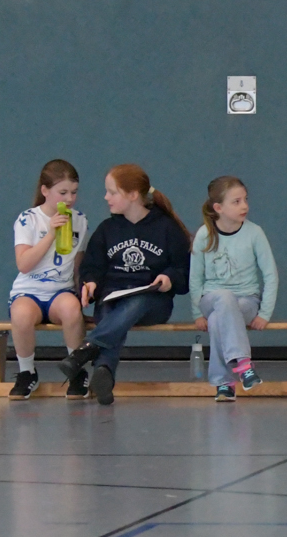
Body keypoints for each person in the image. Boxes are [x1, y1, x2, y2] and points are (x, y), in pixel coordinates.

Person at [61, 164, 192, 406]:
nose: (106, 197)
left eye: (112, 192)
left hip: (152, 301)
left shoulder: (166, 228)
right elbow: (92, 267)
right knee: (109, 309)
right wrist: (90, 283)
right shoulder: (106, 229)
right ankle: (104, 371)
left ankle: (89, 347)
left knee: (137, 302)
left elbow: (183, 271)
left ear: (132, 195)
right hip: (113, 296)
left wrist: (169, 279)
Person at [189, 176, 278, 402]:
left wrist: (265, 313)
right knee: (223, 298)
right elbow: (195, 277)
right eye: (236, 202)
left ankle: (224, 384)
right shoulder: (204, 235)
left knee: (218, 320)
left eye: (245, 199)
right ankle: (244, 365)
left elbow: (270, 274)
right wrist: (197, 312)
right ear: (218, 208)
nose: (244, 206)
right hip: (211, 299)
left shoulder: (255, 233)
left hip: (247, 301)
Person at [8, 160, 88, 400]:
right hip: (29, 291)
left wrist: (82, 291)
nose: (70, 198)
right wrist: (51, 233)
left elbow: (78, 264)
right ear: (45, 190)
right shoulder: (28, 219)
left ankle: (76, 370)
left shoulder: (80, 220)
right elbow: (23, 264)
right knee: (21, 314)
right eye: (62, 193)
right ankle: (27, 372)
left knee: (71, 309)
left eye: (74, 192)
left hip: (60, 290)